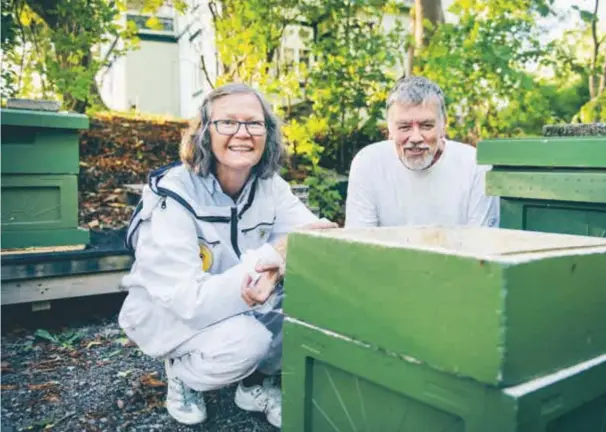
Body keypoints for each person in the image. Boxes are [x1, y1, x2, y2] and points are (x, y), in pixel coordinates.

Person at [117, 83, 336, 428]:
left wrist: (275, 266)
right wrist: (274, 257)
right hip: (171, 315)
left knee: (310, 296)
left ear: (268, 133)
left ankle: (253, 385)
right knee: (249, 342)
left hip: (237, 300)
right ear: (205, 132)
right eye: (227, 123)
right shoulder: (173, 194)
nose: (242, 133)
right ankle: (184, 375)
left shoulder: (269, 186)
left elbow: (320, 235)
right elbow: (186, 299)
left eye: (253, 123)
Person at [345, 76, 499, 228]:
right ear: (389, 129)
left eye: (426, 125)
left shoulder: (474, 166)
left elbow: (480, 243)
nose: (416, 138)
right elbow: (359, 241)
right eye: (404, 127)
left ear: (443, 125)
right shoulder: (368, 163)